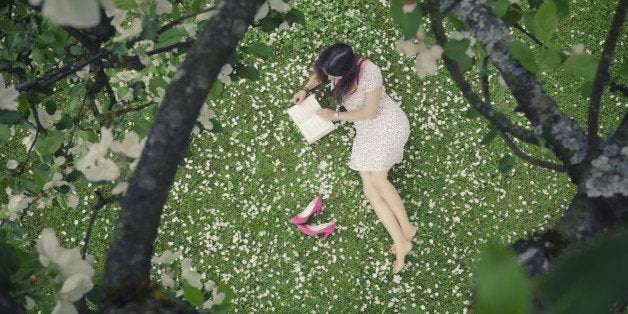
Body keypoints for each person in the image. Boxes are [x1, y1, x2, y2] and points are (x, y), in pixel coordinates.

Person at [291, 42, 417, 274]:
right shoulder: (333, 65)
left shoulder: (370, 73)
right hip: (367, 131)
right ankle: (402, 241)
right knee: (369, 189)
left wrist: (335, 116)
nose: (328, 78)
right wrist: (306, 89)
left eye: (333, 76)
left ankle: (406, 228)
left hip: (387, 124)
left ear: (348, 71)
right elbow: (320, 74)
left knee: (379, 180)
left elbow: (369, 113)